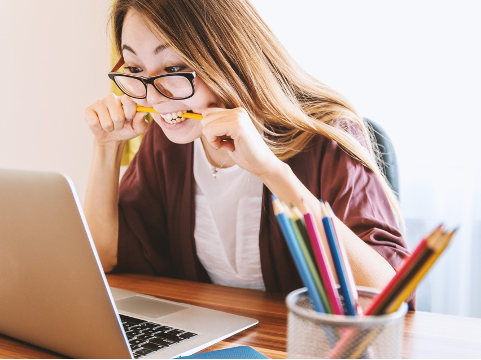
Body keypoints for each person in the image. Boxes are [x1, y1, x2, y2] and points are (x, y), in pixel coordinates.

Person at [84, 0, 413, 305]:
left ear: (227, 56)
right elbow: (102, 256)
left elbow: (387, 294)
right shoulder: (167, 143)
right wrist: (107, 147)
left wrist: (272, 171)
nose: (154, 98)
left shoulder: (326, 137)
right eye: (136, 69)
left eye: (173, 69)